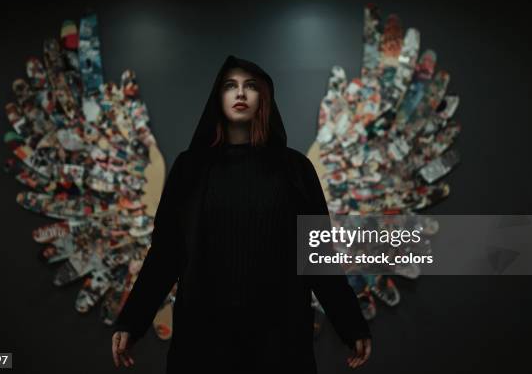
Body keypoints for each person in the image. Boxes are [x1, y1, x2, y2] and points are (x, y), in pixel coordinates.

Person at [111, 55, 372, 373]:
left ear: (263, 97)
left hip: (279, 341)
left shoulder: (295, 170)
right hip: (204, 341)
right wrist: (132, 321)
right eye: (230, 86)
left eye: (250, 86)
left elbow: (318, 256)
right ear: (217, 97)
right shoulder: (190, 169)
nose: (240, 93)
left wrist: (351, 325)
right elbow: (166, 255)